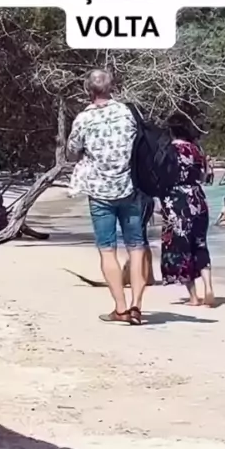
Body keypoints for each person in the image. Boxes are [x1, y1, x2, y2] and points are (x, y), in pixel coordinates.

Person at [67, 68, 148, 325]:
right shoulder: (128, 112)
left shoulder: (83, 119)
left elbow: (72, 151)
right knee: (136, 248)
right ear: (112, 87)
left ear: (87, 90)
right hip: (131, 189)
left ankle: (120, 308)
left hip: (99, 191)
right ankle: (136, 306)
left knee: (107, 250)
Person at [160, 115, 215, 307]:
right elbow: (205, 177)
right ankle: (208, 287)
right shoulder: (196, 150)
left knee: (182, 249)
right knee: (200, 244)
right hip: (198, 200)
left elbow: (161, 178)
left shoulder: (167, 151)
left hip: (177, 203)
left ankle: (193, 297)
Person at [122, 194, 155, 287]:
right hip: (139, 198)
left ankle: (142, 275)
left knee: (137, 234)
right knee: (139, 234)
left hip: (140, 198)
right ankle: (146, 274)